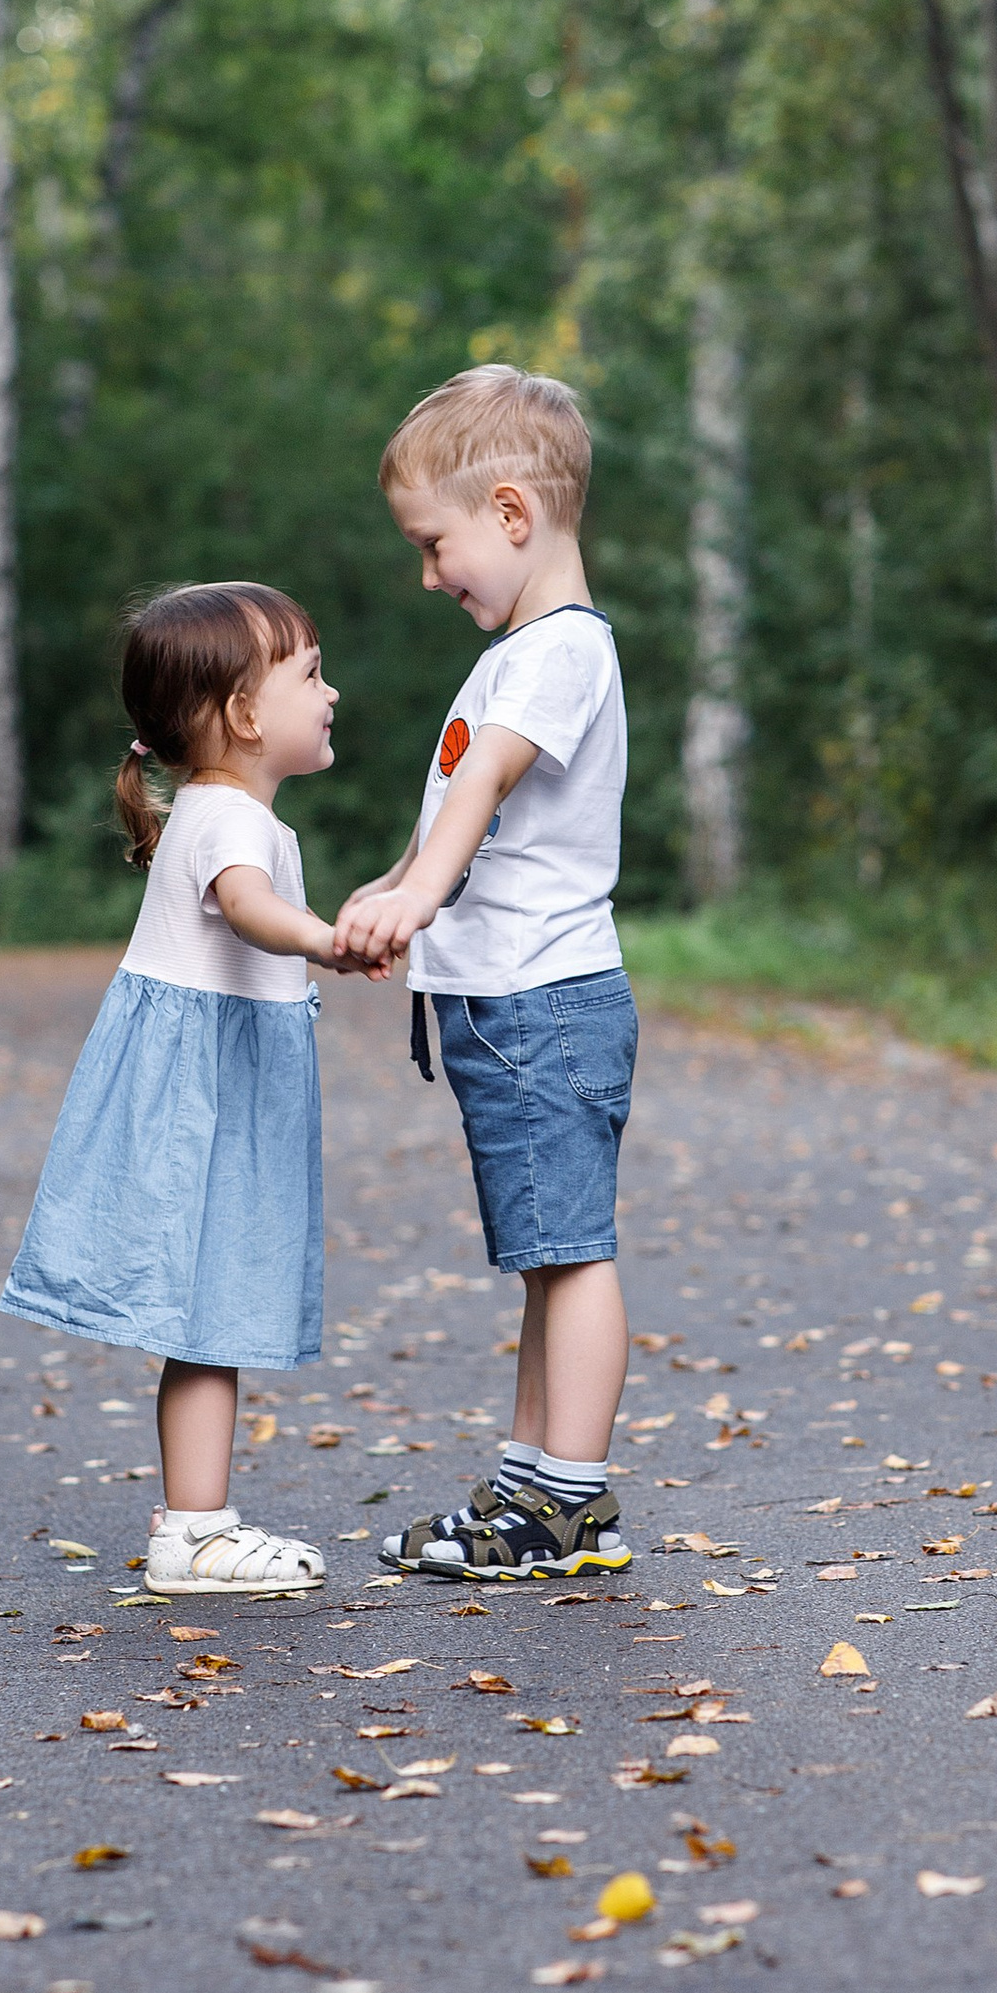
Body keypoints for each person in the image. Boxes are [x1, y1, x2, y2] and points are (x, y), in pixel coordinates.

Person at [0, 580, 373, 1599]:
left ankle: (195, 1519)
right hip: (204, 1102)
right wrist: (325, 941)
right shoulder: (224, 822)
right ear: (245, 715)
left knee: (213, 1314)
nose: (330, 692)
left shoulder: (221, 810)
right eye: (309, 673)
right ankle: (198, 1533)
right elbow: (249, 911)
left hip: (221, 1086)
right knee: (210, 1313)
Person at [333, 365, 636, 1582]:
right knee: (543, 1253)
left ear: (511, 515)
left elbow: (487, 782)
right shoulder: (523, 650)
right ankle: (528, 1485)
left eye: (433, 544)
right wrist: (397, 878)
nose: (427, 574)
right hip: (510, 1002)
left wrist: (417, 890)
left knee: (571, 1251)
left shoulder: (556, 654)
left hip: (540, 1002)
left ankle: (570, 1500)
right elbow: (464, 811)